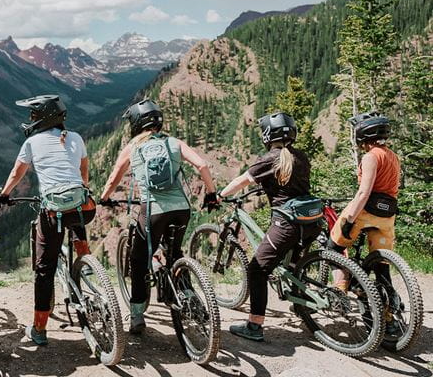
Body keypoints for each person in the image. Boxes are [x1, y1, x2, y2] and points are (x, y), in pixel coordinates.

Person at [99, 99, 218, 334]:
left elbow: (114, 178)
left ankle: (136, 316)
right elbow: (202, 165)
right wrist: (212, 193)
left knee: (139, 259)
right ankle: (189, 295)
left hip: (153, 211)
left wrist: (103, 198)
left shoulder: (132, 146)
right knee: (175, 255)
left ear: (136, 123)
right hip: (182, 209)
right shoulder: (174, 142)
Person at [0, 94, 96, 346]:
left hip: (53, 211)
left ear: (44, 118)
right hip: (84, 206)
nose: (30, 119)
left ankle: (39, 329)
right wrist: (81, 187)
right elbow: (84, 172)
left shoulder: (32, 142)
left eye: (33, 115)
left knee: (44, 269)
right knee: (76, 213)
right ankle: (84, 257)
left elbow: (17, 173)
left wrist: (4, 195)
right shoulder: (76, 137)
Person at [220, 112, 320, 342]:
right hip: (310, 221)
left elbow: (242, 181)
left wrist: (219, 194)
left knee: (257, 270)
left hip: (287, 223)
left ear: (267, 135)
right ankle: (300, 303)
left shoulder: (270, 159)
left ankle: (254, 326)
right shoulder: (301, 156)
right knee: (293, 263)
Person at [328, 112, 400, 334]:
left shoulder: (370, 157)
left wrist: (349, 220)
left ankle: (341, 288)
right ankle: (389, 320)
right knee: (381, 267)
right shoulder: (393, 156)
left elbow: (363, 193)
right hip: (387, 217)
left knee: (334, 246)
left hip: (366, 212)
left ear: (363, 134)